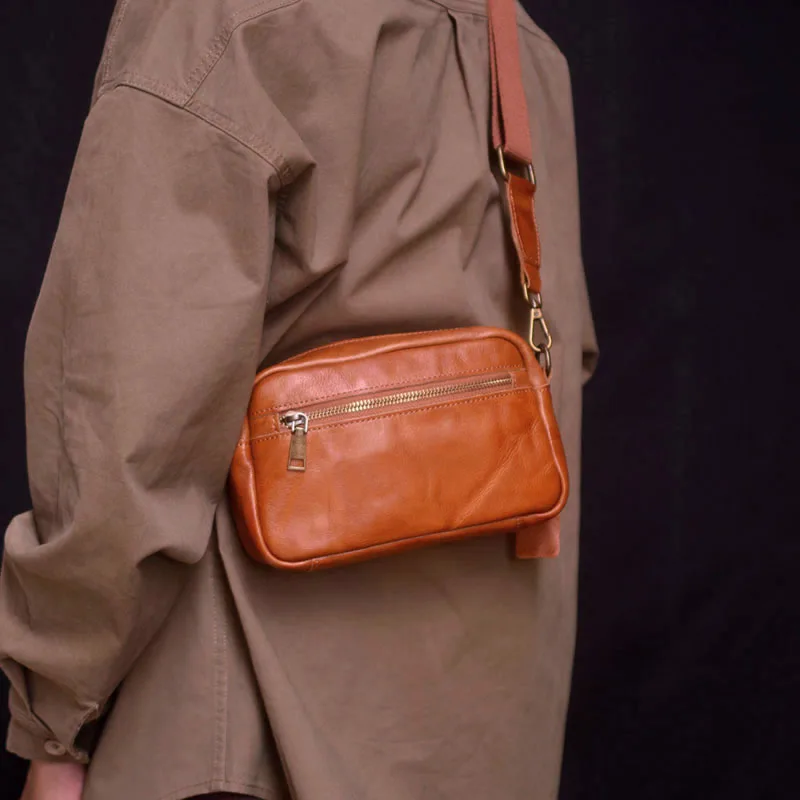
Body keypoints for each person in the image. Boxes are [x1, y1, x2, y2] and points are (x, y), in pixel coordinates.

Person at [0, 0, 597, 798]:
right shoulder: (523, 48)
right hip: (479, 746)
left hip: (236, 737)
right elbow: (561, 375)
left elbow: (124, 418)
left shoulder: (221, 18)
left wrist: (53, 722)